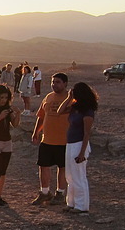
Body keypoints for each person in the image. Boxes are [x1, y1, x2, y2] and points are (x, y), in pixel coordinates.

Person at [57, 82, 98, 214]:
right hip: (70, 143)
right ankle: (71, 203)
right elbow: (60, 111)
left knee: (79, 175)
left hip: (79, 144)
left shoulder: (88, 111)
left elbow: (87, 133)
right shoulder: (75, 107)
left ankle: (82, 206)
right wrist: (68, 98)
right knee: (70, 175)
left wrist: (82, 153)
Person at [30, 73, 70, 205]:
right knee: (43, 166)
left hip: (64, 140)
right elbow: (41, 116)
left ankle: (60, 193)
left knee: (62, 167)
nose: (54, 85)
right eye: (53, 82)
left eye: (58, 82)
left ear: (65, 83)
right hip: (47, 139)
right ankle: (45, 192)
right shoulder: (48, 97)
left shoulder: (71, 98)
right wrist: (36, 131)